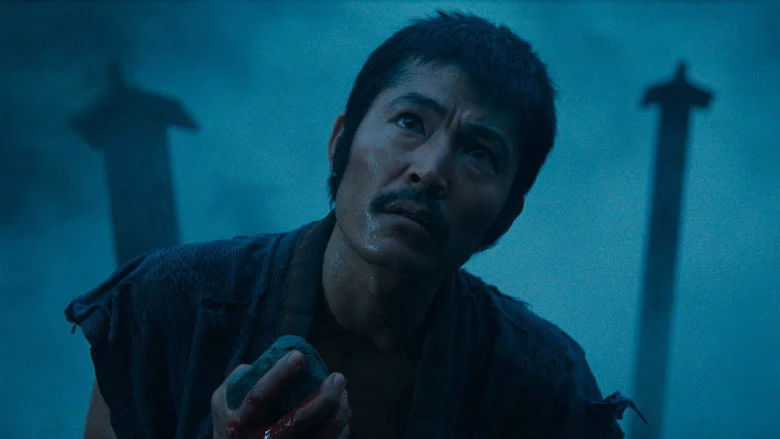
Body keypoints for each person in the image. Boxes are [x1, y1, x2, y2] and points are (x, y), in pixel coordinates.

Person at [66, 10, 641, 439]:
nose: (429, 170)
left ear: (507, 212)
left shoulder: (545, 384)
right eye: (410, 122)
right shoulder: (172, 306)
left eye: (479, 153)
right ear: (341, 141)